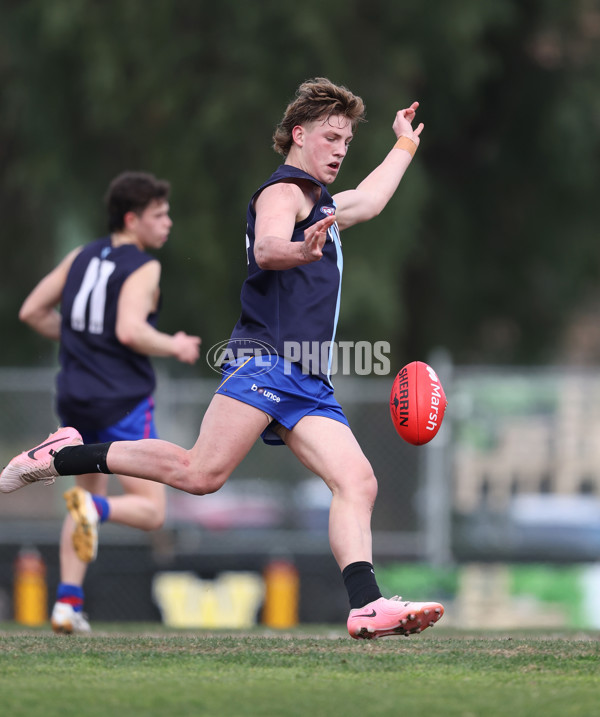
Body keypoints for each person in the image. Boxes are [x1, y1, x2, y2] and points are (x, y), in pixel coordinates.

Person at [1, 79, 443, 639]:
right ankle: (65, 455)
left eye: (347, 143)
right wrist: (298, 249)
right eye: (331, 137)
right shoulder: (283, 192)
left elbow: (372, 200)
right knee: (200, 473)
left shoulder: (325, 203)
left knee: (358, 482)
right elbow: (267, 247)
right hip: (267, 362)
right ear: (298, 135)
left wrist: (403, 144)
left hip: (306, 375)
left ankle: (365, 605)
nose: (338, 149)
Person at [13, 171, 201, 634]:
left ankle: (66, 604)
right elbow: (130, 331)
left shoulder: (81, 256)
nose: (168, 223)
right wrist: (174, 344)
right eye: (160, 215)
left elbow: (31, 311)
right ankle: (97, 515)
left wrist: (79, 338)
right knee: (151, 510)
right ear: (132, 219)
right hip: (121, 398)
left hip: (76, 396)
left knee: (83, 491)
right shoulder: (143, 265)